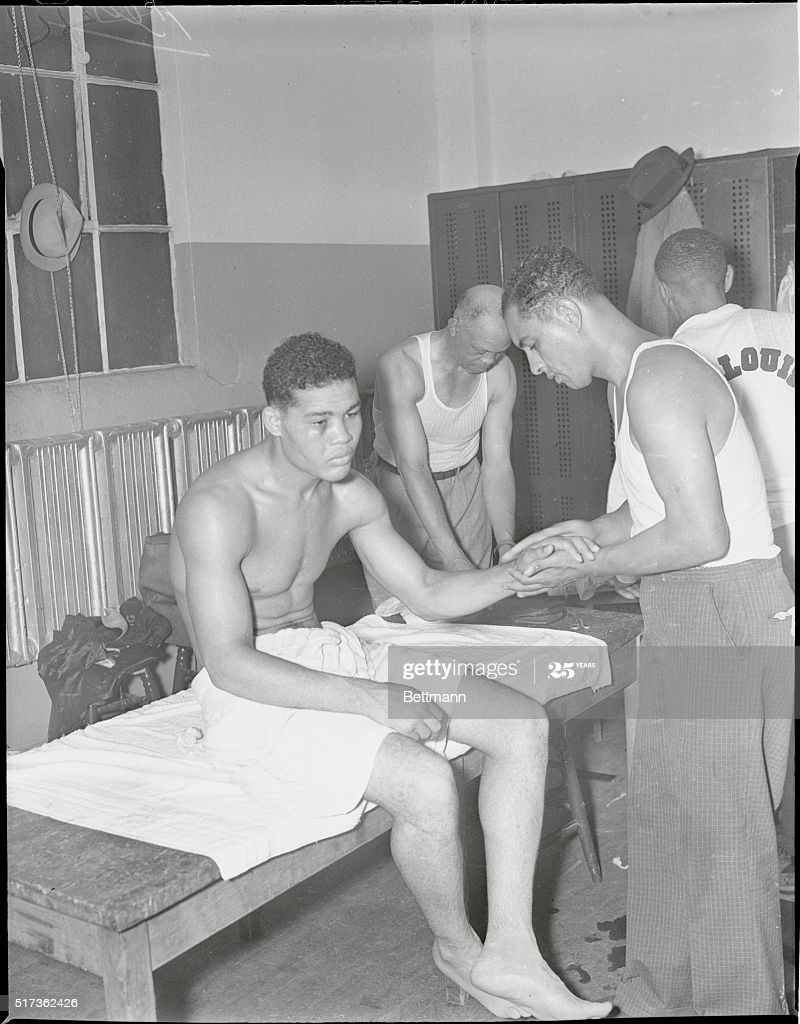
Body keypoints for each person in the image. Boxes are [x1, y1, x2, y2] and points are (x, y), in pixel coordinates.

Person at [169, 332, 611, 1022]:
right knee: (426, 781)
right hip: (249, 689)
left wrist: (515, 570)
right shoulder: (219, 506)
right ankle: (458, 948)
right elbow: (227, 660)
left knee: (522, 725)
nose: (343, 437)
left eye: (352, 414)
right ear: (274, 419)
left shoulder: (349, 492)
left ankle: (513, 952)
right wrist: (370, 696)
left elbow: (429, 591)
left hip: (327, 651)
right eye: (320, 421)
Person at [499, 246, 794, 1017]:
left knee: (725, 840)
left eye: (531, 342)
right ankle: (663, 997)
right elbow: (651, 507)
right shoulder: (635, 384)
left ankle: (738, 1005)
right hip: (687, 607)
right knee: (667, 816)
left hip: (725, 609)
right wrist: (585, 533)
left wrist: (583, 574)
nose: (533, 367)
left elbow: (699, 533)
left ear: (566, 312)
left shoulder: (662, 377)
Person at [654, 226, 796, 901]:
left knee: (749, 708)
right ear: (731, 279)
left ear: (662, 293)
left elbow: (650, 486)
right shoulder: (786, 328)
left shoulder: (665, 360)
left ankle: (757, 860)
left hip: (738, 547)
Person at [365, 285, 517, 609]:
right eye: (479, 349)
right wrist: (453, 557)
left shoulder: (500, 372)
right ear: (455, 325)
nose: (489, 360)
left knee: (471, 611)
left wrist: (505, 543)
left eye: (499, 351)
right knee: (402, 613)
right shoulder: (403, 366)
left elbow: (498, 461)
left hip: (467, 486)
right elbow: (414, 468)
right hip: (400, 491)